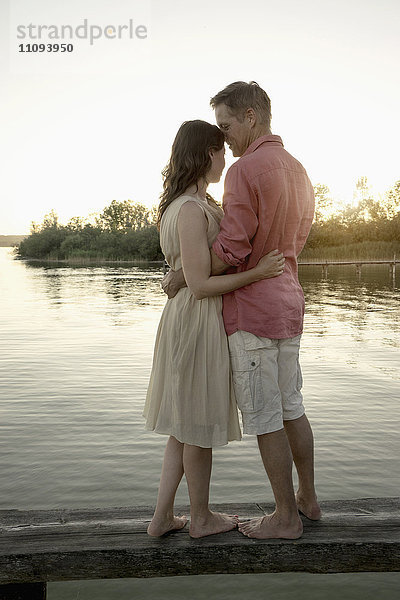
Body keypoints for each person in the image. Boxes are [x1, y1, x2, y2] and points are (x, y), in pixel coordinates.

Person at [164, 82, 321, 539]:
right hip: (289, 303)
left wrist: (182, 273)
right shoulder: (298, 169)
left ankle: (285, 518)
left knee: (266, 417)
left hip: (253, 312)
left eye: (227, 125)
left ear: (251, 117)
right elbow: (296, 240)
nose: (224, 138)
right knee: (292, 406)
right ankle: (308, 499)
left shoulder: (245, 171)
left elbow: (233, 247)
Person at [143, 119, 285, 539]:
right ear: (207, 153)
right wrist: (257, 273)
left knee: (183, 425)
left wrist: (183, 274)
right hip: (196, 319)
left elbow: (192, 270)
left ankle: (162, 517)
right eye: (221, 150)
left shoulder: (194, 204)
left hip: (188, 314)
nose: (226, 158)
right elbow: (203, 284)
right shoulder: (189, 209)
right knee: (197, 425)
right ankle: (200, 518)